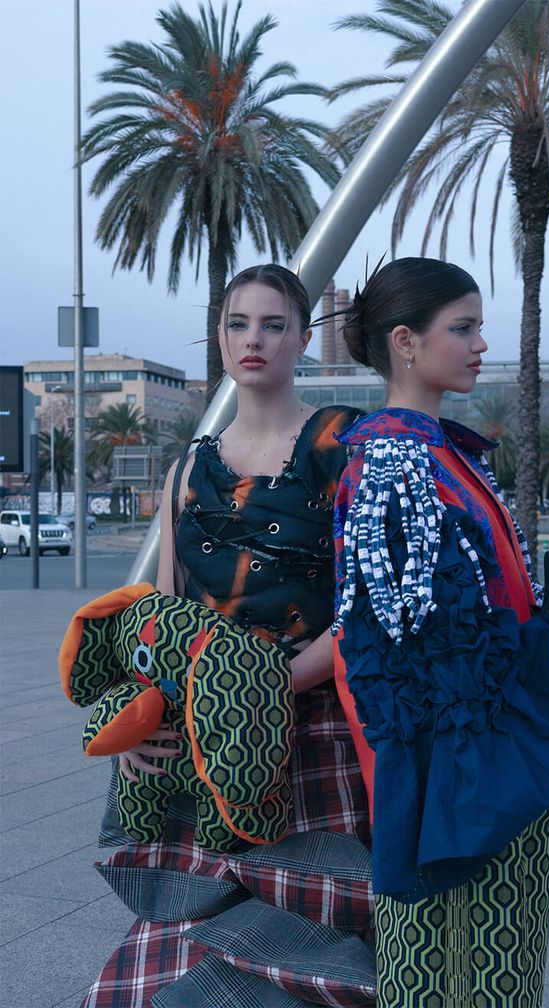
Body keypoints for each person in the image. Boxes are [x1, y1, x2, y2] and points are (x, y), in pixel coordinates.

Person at [331, 257, 549, 1007]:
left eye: (479, 327)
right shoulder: (398, 467)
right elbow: (414, 660)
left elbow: (476, 624)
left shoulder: (438, 455)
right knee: (464, 982)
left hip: (484, 775)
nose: (480, 344)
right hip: (455, 791)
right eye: (462, 328)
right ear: (405, 342)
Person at [81, 264, 373, 1008]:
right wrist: (139, 722)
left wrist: (261, 688)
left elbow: (369, 609)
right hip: (203, 747)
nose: (255, 339)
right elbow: (163, 621)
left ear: (303, 338)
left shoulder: (342, 443)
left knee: (312, 960)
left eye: (274, 324)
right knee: (167, 965)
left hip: (315, 739)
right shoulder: (188, 471)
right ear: (219, 337)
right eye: (239, 323)